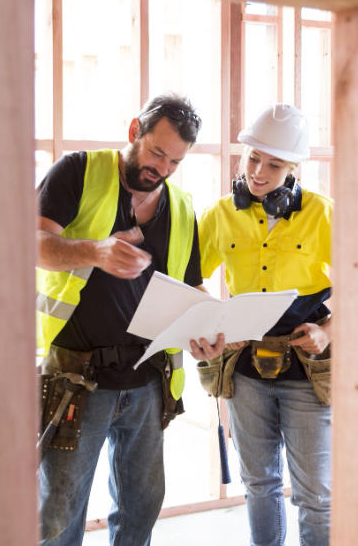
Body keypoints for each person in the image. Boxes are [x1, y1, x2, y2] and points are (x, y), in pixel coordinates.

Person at [36, 93, 204, 546]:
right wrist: (94, 250)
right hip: (78, 375)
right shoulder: (78, 171)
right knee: (59, 513)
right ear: (134, 132)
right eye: (156, 153)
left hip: (148, 380)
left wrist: (206, 329)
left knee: (141, 508)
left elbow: (193, 288)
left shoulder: (182, 206)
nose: (162, 169)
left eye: (175, 161)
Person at [188, 104, 333, 546]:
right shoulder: (220, 215)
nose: (258, 172)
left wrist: (330, 331)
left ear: (294, 169)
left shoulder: (322, 213)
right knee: (260, 486)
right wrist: (204, 324)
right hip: (246, 370)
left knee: (316, 495)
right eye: (252, 158)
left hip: (308, 370)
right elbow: (187, 277)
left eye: (274, 164)